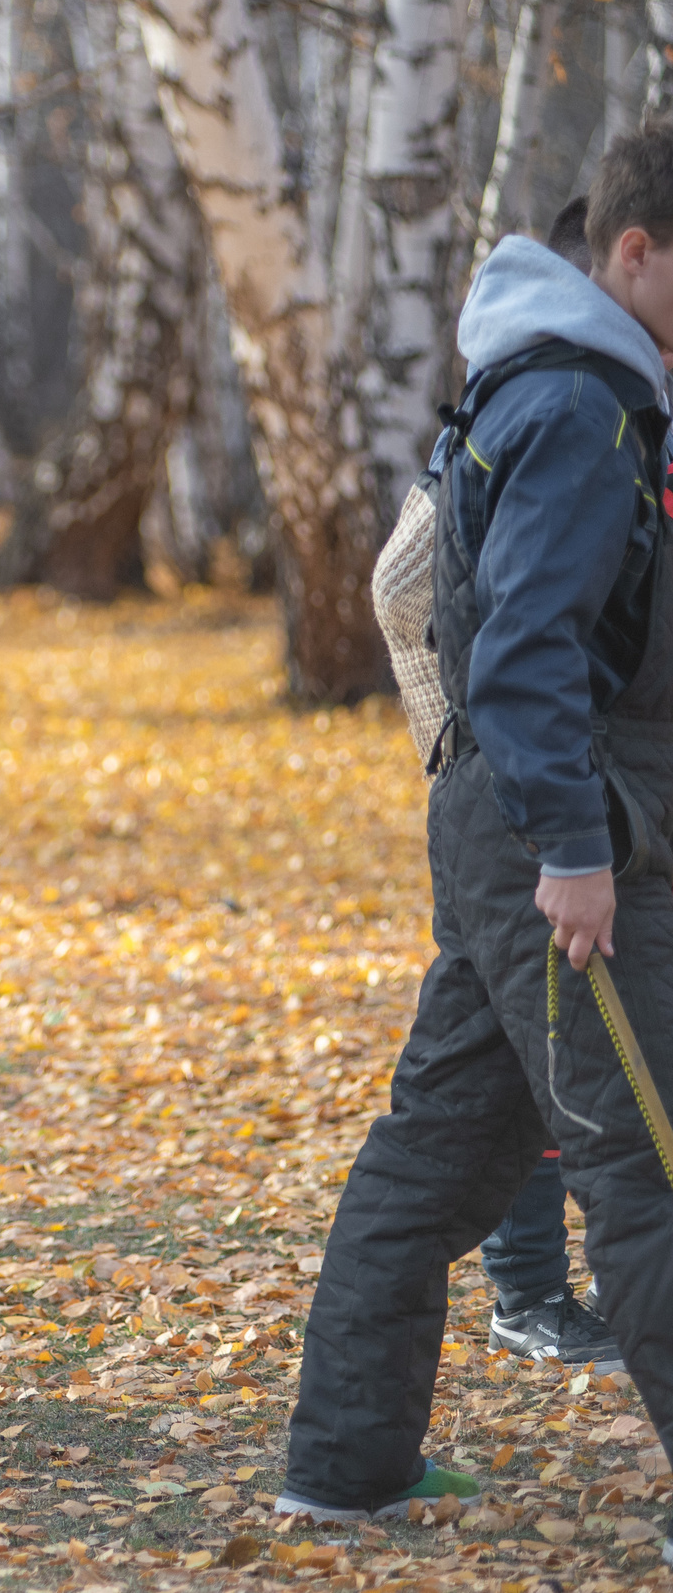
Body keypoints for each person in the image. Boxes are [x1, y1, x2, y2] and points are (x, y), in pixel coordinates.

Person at [280, 131, 673, 1525]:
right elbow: (521, 657)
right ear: (634, 252)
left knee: (439, 1156)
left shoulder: (585, 391)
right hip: (561, 840)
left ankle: (343, 1467)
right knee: (648, 1156)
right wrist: (575, 855)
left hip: (516, 824)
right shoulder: (578, 408)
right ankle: (341, 1465)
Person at [477, 195, 627, 1378]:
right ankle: (526, 1291)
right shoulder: (565, 401)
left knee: (464, 1098)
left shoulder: (610, 396)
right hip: (530, 792)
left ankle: (344, 1463)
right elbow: (418, 588)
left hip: (578, 781)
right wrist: (498, 780)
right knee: (549, 1081)